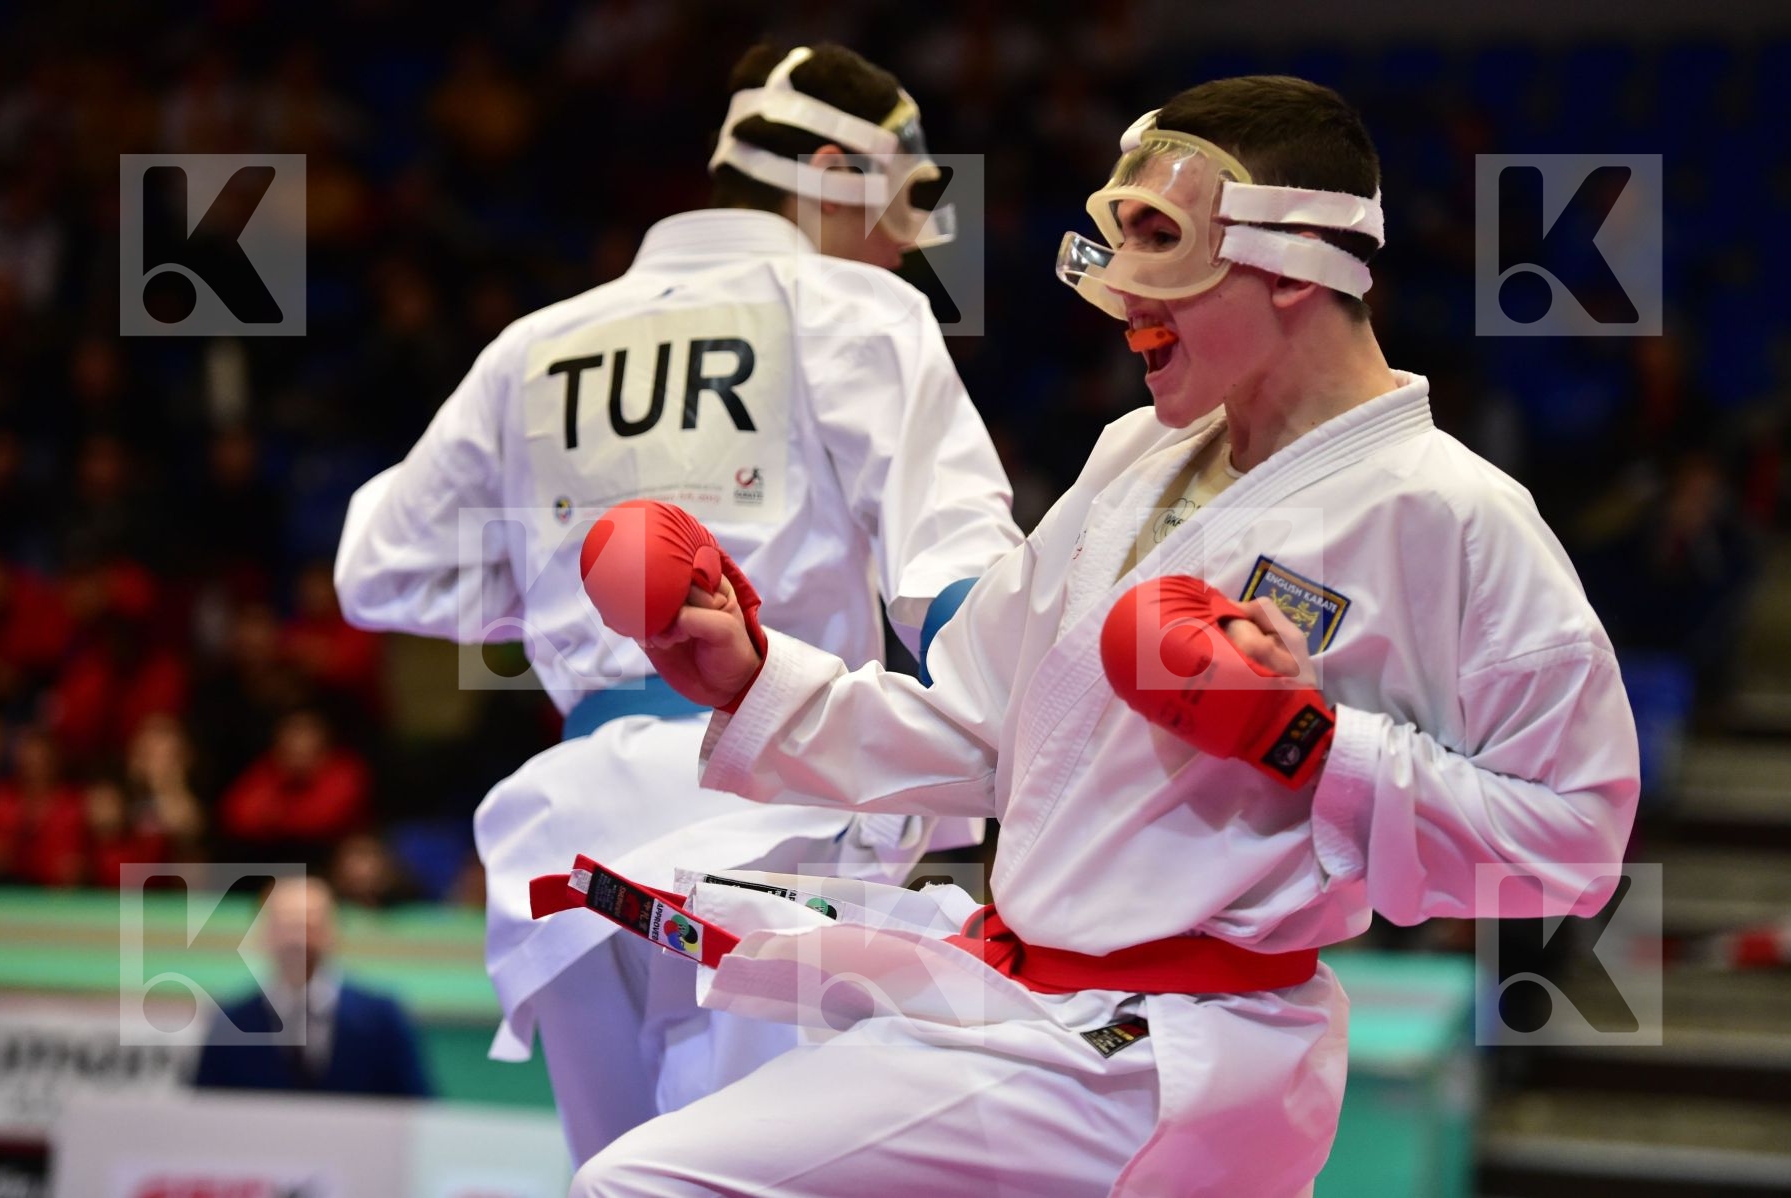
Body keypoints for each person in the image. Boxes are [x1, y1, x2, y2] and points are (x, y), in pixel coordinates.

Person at [568, 75, 1641, 1197]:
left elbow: (1576, 844)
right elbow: (985, 722)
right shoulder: (1135, 454)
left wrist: (1310, 741)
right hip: (1048, 1016)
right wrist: (753, 680)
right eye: (1118, 241)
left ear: (1292, 267)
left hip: (1171, 1048)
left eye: (1160, 244)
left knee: (642, 1185)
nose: (1125, 292)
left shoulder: (1452, 515)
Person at [333, 42, 1020, 1165]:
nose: (906, 241)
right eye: (903, 204)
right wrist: (1025, 739)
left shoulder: (535, 345)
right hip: (775, 817)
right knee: (764, 1182)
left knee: (621, 1181)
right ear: (833, 175)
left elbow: (377, 567)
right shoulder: (856, 306)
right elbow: (955, 571)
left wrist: (567, 590)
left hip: (571, 839)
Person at [194, 876, 431, 1097]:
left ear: (333, 931)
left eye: (309, 925)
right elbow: (204, 1108)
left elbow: (417, 1103)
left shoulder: (381, 1019)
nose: (298, 939)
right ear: (263, 934)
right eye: (286, 926)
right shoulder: (231, 1021)